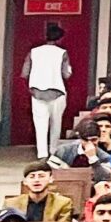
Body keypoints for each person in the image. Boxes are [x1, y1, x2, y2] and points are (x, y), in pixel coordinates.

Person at [22, 25, 70, 161]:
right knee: (56, 123)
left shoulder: (33, 52)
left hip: (37, 92)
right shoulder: (62, 52)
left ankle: (42, 153)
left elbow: (25, 73)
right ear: (60, 38)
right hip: (57, 91)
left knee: (40, 123)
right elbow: (66, 74)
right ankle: (53, 150)